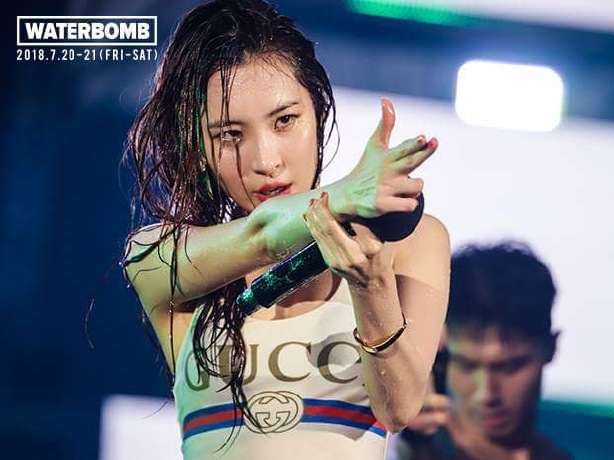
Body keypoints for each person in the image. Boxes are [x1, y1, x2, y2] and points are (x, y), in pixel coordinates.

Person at [121, 1, 450, 459]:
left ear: (319, 112)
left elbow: (398, 410)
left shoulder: (411, 243)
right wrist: (345, 196)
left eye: (285, 121)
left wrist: (371, 287)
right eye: (230, 135)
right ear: (198, 148)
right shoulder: (157, 256)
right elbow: (262, 235)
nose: (266, 160)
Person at [392, 241, 572, 460]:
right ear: (441, 354)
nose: (486, 394)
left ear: (551, 348)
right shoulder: (397, 445)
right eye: (466, 365)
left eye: (509, 367)